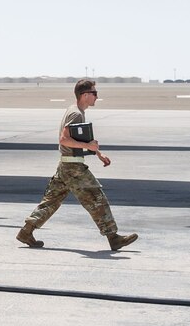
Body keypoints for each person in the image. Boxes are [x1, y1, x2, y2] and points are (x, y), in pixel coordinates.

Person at [17, 78, 137, 252]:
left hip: (66, 165)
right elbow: (64, 139)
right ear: (85, 95)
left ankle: (26, 232)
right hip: (73, 168)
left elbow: (80, 139)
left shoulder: (75, 111)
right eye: (95, 93)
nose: (96, 97)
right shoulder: (76, 114)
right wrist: (89, 146)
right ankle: (113, 237)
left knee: (51, 201)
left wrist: (97, 153)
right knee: (97, 198)